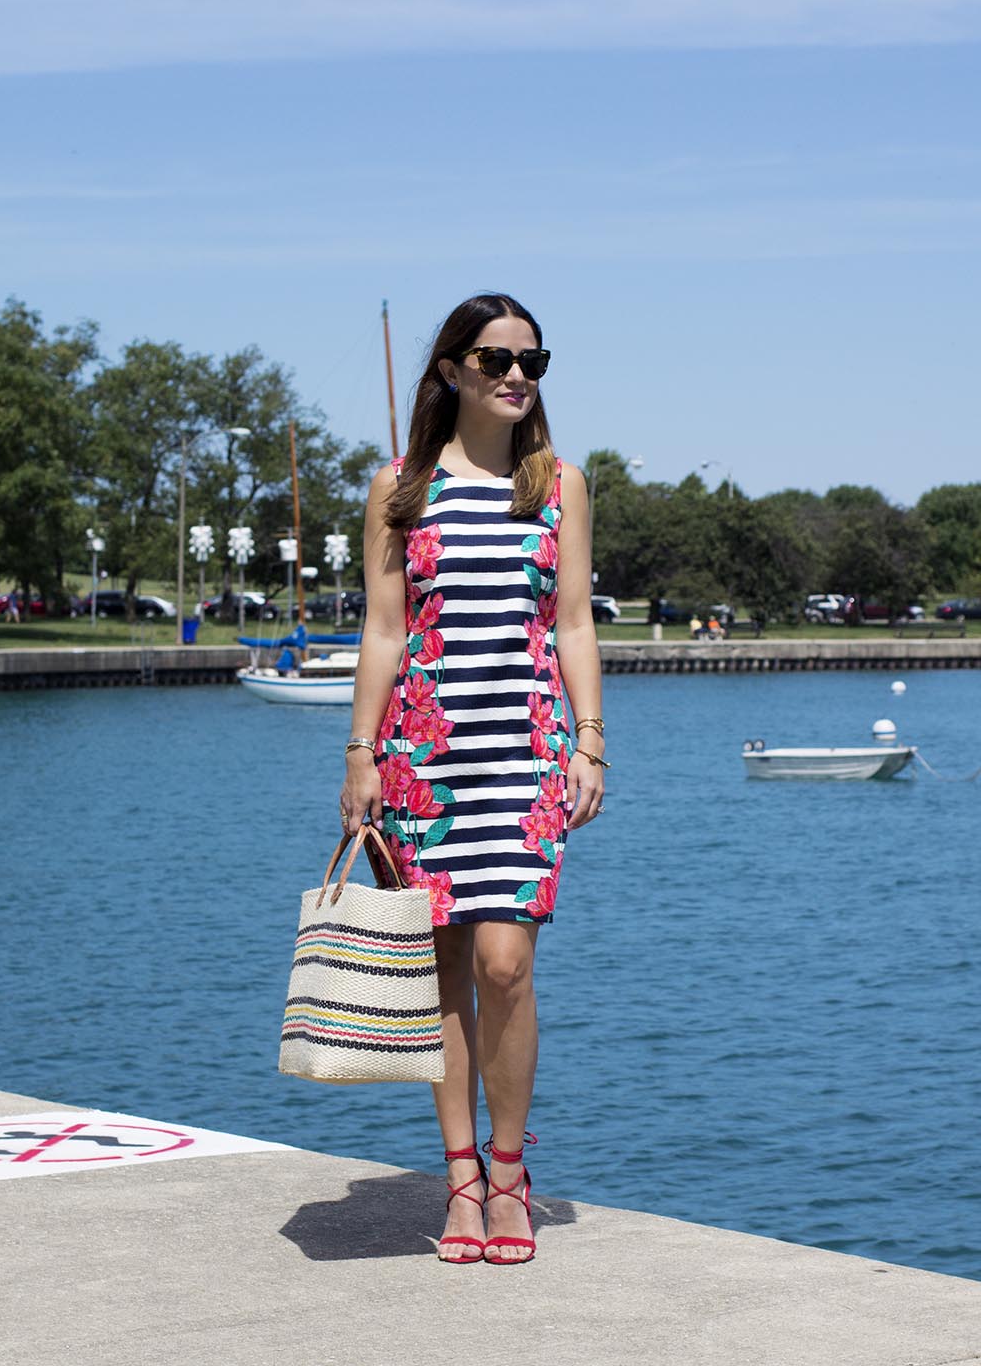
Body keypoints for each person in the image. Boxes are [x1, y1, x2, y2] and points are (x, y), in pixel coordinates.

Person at [340, 293, 607, 1266]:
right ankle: (462, 1178)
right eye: (496, 358)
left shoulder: (558, 485)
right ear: (451, 368)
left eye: (532, 359)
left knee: (507, 964)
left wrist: (588, 742)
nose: (516, 375)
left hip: (525, 756)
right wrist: (360, 751)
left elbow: (573, 621)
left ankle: (511, 1168)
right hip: (422, 759)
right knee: (445, 973)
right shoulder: (400, 487)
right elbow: (383, 630)